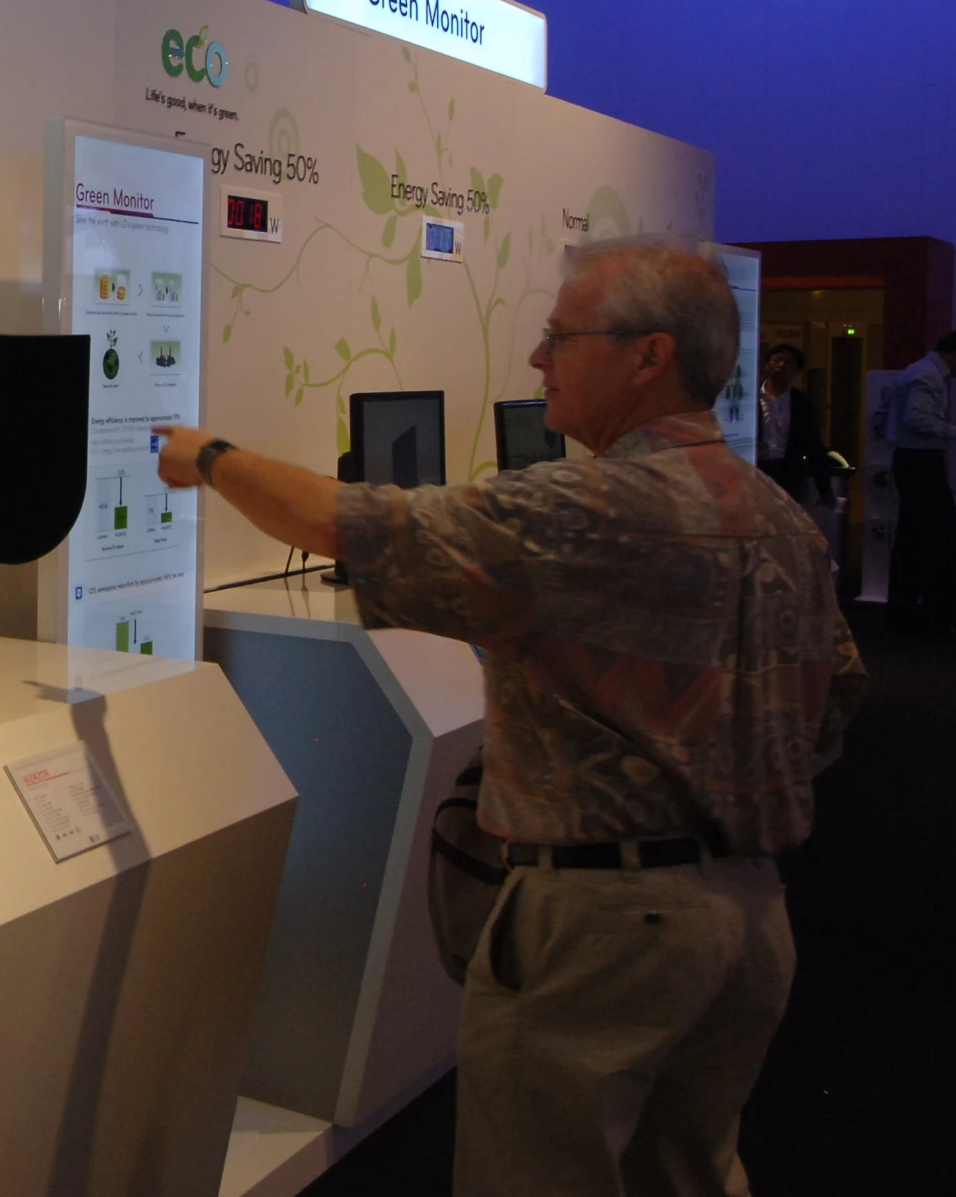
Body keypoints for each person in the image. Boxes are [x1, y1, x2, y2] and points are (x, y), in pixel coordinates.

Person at [154, 236, 866, 1197]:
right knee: (686, 1170)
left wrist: (210, 455)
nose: (537, 362)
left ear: (649, 355)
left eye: (559, 336)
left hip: (603, 933)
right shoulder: (780, 515)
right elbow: (833, 706)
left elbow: (345, 525)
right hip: (747, 919)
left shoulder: (589, 506)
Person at [885, 328, 956, 634]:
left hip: (909, 461)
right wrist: (955, 430)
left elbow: (886, 415)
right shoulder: (929, 376)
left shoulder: (915, 371)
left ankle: (903, 612)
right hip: (922, 464)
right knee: (944, 540)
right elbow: (917, 418)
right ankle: (941, 615)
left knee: (912, 540)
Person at [754, 342, 830, 502]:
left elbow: (813, 443)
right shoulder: (750, 399)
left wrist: (823, 486)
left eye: (788, 362)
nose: (781, 365)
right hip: (755, 468)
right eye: (777, 360)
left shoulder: (800, 402)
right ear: (767, 364)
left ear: (796, 371)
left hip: (788, 471)